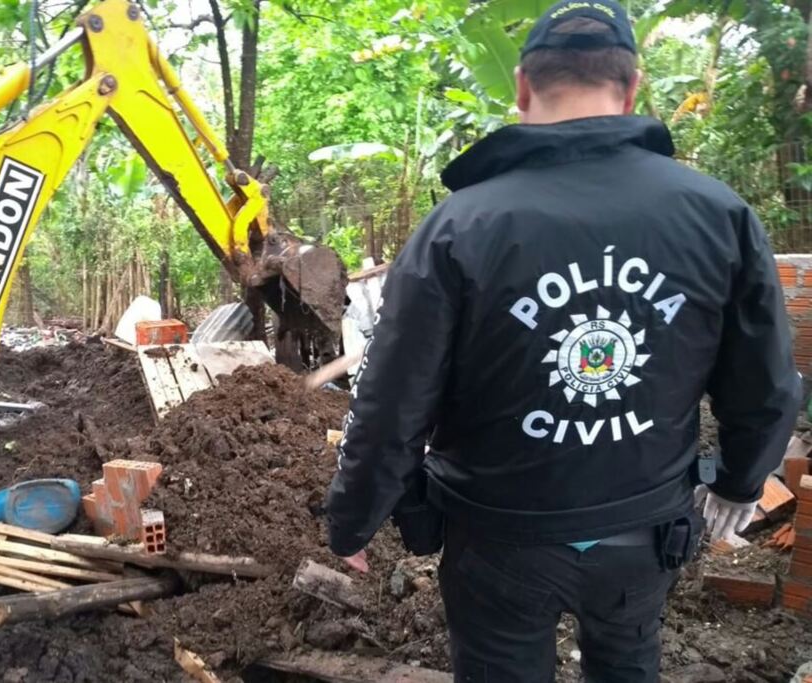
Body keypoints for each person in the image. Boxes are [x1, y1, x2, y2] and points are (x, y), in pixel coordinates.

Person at [324, 0, 803, 680]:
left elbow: (392, 401)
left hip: (497, 542)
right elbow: (764, 380)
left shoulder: (458, 227)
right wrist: (740, 479)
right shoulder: (718, 215)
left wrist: (353, 519)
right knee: (629, 663)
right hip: (644, 536)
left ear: (522, 87)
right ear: (632, 87)